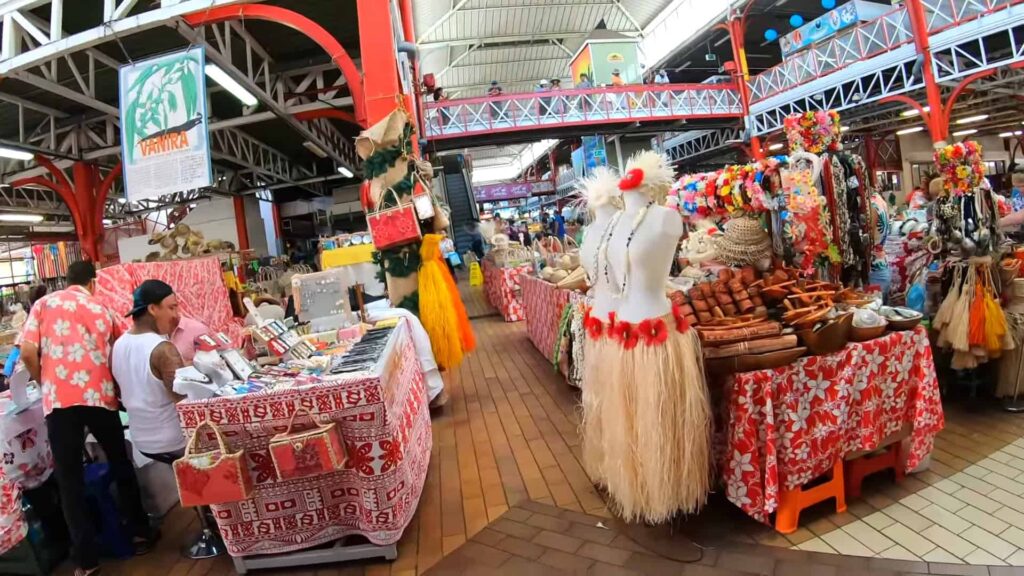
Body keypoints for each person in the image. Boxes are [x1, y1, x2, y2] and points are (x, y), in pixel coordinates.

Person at [20, 261, 156, 576]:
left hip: (60, 402)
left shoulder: (42, 304)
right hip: (100, 396)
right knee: (120, 463)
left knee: (70, 480)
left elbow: (28, 353)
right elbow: (119, 352)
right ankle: (139, 531)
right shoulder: (102, 309)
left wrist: (47, 384)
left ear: (66, 281)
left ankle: (86, 559)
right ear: (92, 283)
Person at [111, 280, 187, 465]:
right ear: (153, 309)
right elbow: (185, 404)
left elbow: (119, 393)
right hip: (172, 442)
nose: (176, 315)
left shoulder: (118, 345)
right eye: (172, 308)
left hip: (141, 441)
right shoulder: (163, 349)